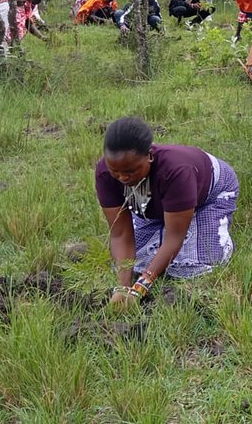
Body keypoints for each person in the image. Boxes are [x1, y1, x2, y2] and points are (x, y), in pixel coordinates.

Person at [95, 117, 239, 307]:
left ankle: (194, 219)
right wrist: (122, 288)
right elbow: (121, 233)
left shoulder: (176, 171)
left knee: (204, 259)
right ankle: (169, 217)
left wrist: (141, 287)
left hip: (210, 196)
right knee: (132, 260)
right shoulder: (105, 173)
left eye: (130, 171)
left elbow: (174, 237)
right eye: (116, 172)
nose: (122, 177)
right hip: (156, 204)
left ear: (149, 155)